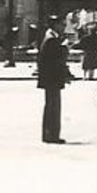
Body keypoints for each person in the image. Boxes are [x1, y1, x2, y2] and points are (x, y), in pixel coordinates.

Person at [37, 16, 71, 144]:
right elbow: (56, 58)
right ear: (55, 25)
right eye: (62, 24)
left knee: (50, 105)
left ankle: (48, 134)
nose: (63, 27)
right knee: (54, 106)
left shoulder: (49, 37)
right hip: (53, 78)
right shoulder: (52, 39)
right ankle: (52, 135)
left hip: (50, 77)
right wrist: (65, 47)